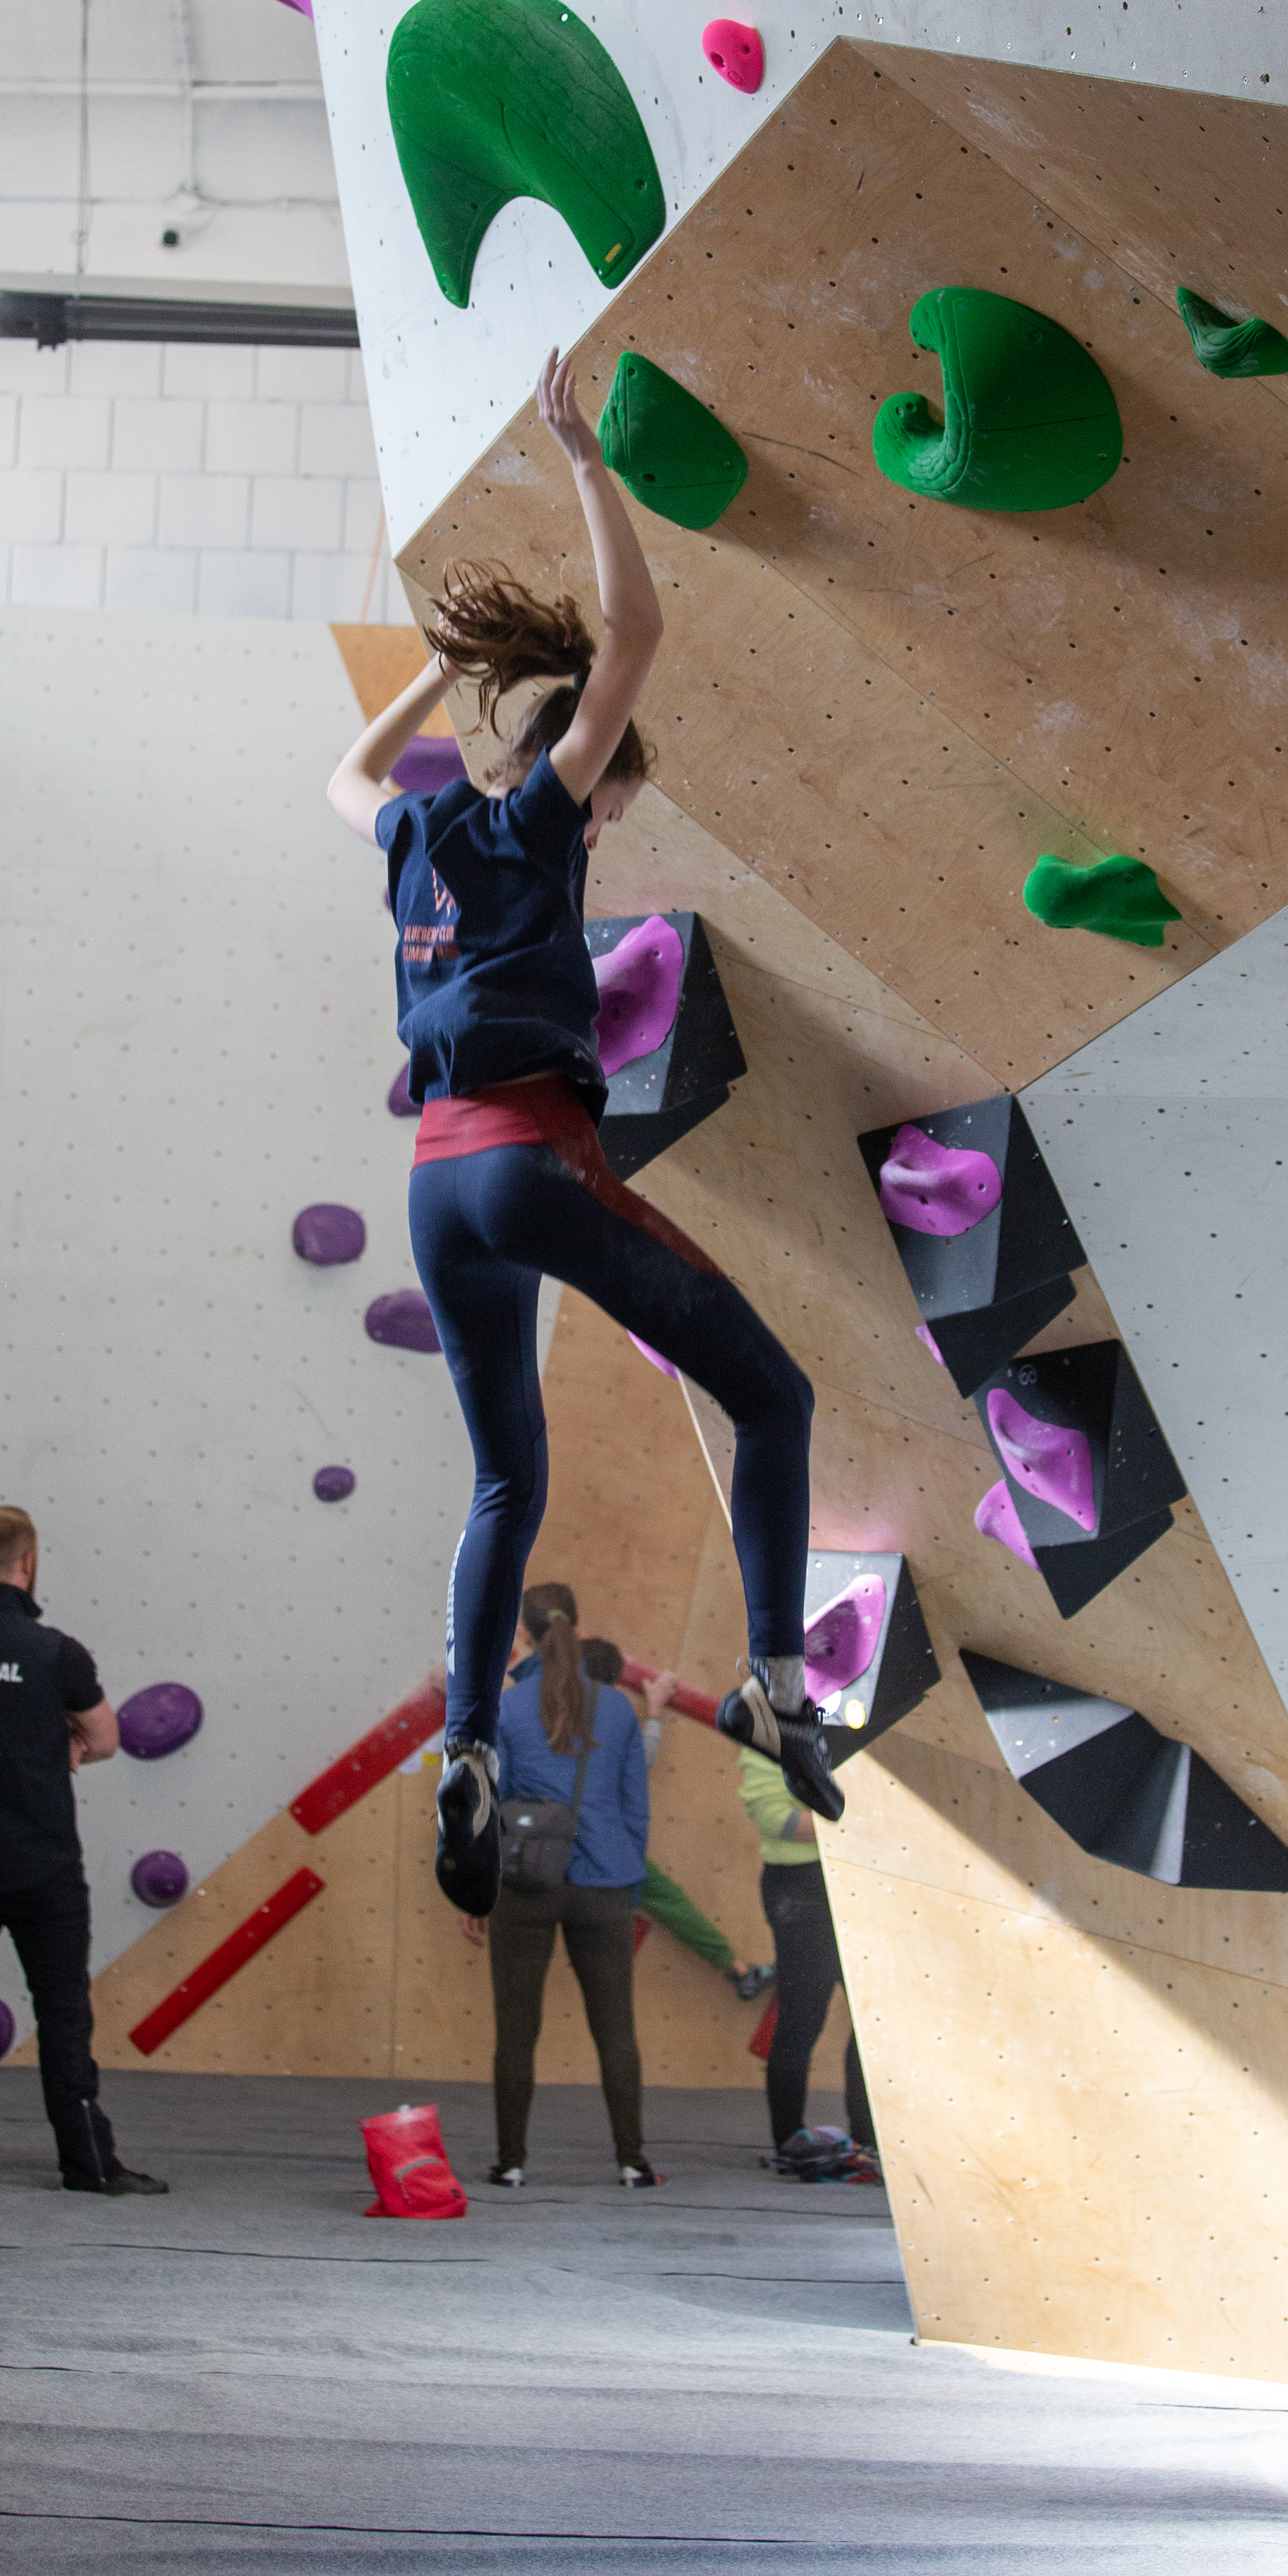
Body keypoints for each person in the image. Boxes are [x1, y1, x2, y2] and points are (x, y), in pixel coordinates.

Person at [326, 345, 842, 1923]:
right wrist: (584, 461)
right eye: (614, 806)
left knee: (505, 1487)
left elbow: (342, 776)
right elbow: (638, 636)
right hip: (529, 1165)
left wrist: (427, 670)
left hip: (432, 1192)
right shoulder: (537, 816)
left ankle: (465, 1749)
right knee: (773, 1392)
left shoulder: (413, 829)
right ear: (588, 776)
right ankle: (774, 1683)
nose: (604, 831)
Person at [0, 1504, 166, 2197]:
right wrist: (63, 1739)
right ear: (29, 1563)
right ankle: (88, 2164)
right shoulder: (56, 1653)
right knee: (63, 2018)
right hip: (42, 1871)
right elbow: (108, 1739)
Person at [465, 1604, 658, 2189]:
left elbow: (483, 1800)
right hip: (605, 1886)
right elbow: (636, 1810)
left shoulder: (506, 1707)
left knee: (518, 2031)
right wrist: (630, 1881)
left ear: (525, 1637)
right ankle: (632, 2162)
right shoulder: (620, 1708)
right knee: (616, 2029)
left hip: (526, 1884)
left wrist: (476, 1890)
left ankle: (513, 2162)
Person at [578, 1633, 773, 2002]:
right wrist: (654, 1710)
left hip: (551, 1839)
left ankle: (739, 1971)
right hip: (597, 1839)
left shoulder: (545, 1706)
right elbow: (641, 1760)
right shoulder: (602, 1714)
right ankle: (738, 1971)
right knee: (667, 1900)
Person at [737, 1747, 879, 2183]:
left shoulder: (843, 1723)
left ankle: (870, 2140)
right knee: (802, 2019)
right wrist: (858, 1823)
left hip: (854, 1878)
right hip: (799, 1887)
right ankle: (790, 2141)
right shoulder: (765, 1728)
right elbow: (778, 1821)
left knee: (873, 2023)